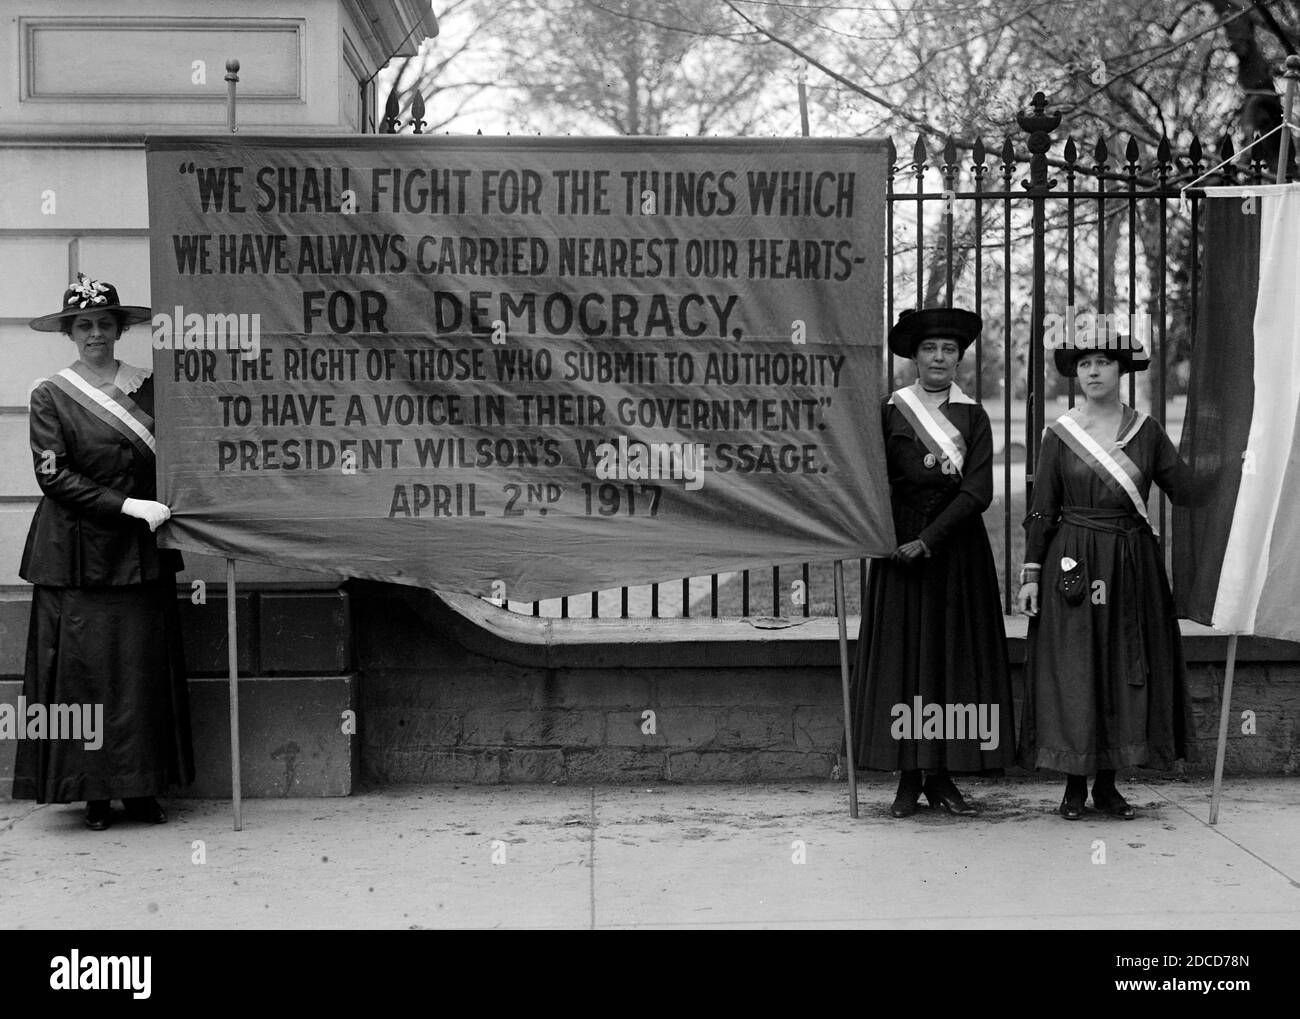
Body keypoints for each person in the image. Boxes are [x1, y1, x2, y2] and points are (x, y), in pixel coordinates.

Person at [13, 274, 194, 831]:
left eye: (105, 324)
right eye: (84, 325)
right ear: (71, 333)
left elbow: (182, 452)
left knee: (140, 671)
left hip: (141, 553)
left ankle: (140, 790)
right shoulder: (50, 394)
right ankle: (92, 794)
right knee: (82, 676)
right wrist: (127, 506)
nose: (96, 333)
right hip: (76, 554)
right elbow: (55, 479)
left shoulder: (147, 388)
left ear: (120, 329)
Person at [1016, 333, 1193, 820]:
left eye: (1104, 363)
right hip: (1073, 560)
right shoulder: (1061, 433)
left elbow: (1185, 489)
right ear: (1077, 374)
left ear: (1121, 372)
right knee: (1075, 669)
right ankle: (1074, 784)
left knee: (1122, 664)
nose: (1093, 372)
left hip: (1131, 561)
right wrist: (1031, 574)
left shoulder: (1147, 431)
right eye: (1086, 364)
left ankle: (1110, 785)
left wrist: (1235, 468)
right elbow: (1042, 510)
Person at [851, 308, 1016, 817]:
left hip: (954, 550)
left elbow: (978, 491)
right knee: (905, 661)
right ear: (914, 357)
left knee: (948, 661)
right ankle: (906, 777)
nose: (939, 357)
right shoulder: (890, 411)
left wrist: (930, 539)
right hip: (899, 550)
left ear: (959, 358)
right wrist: (889, 536)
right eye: (929, 349)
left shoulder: (973, 416)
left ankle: (941, 775)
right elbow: (872, 480)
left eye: (948, 349)